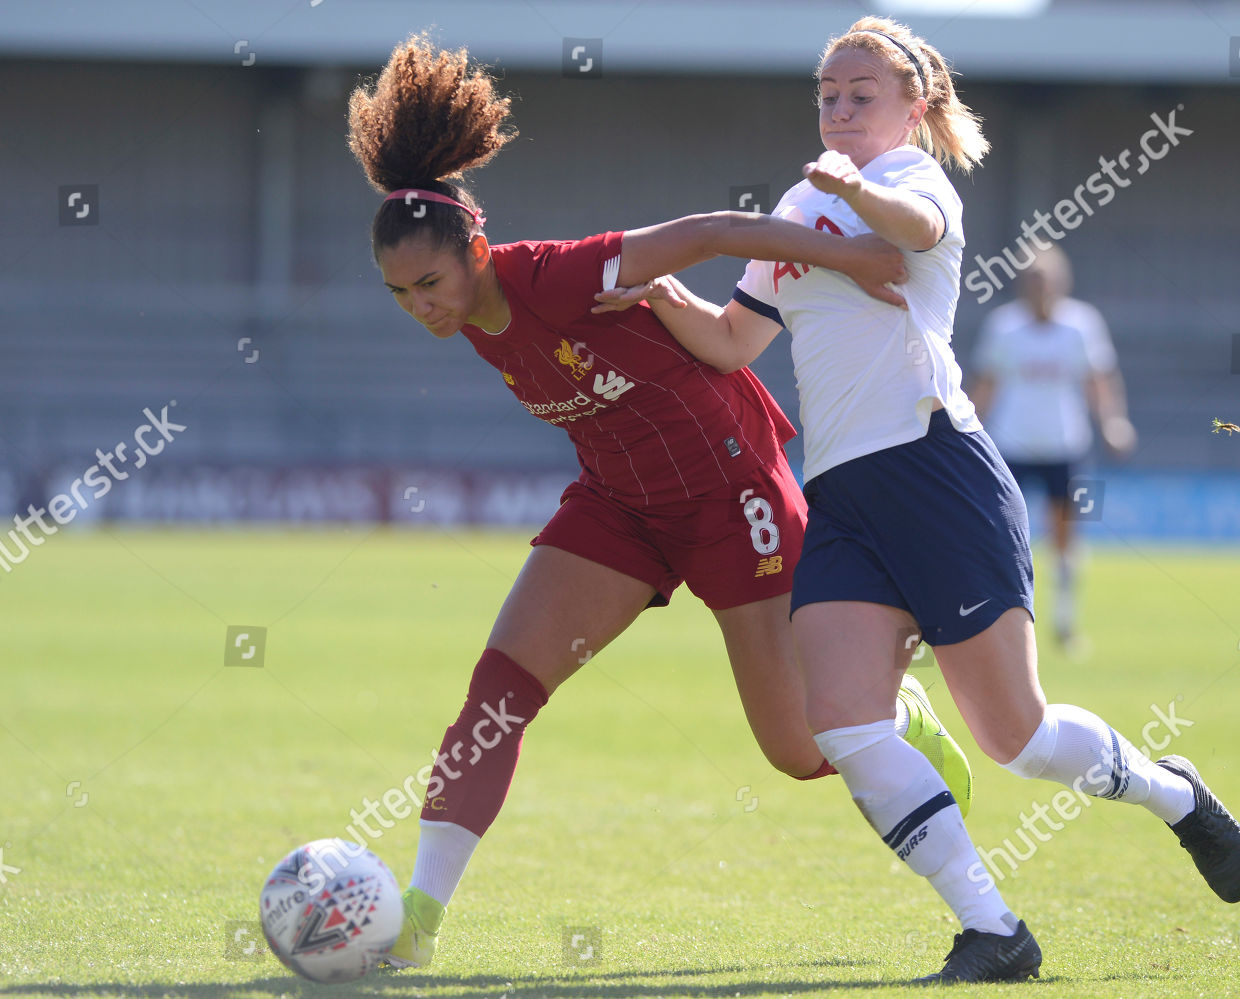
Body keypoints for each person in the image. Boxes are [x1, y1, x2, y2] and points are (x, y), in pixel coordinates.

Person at [595, 16, 1240, 983]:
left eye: (863, 94)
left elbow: (916, 239)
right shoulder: (798, 202)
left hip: (937, 470)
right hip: (846, 494)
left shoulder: (910, 181)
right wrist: (654, 296)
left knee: (1016, 737)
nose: (842, 108)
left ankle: (1172, 794)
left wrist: (855, 188)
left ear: (916, 107)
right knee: (844, 721)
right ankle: (994, 929)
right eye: (828, 94)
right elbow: (736, 340)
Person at [344, 35, 975, 969]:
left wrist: (849, 259)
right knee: (500, 694)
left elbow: (717, 230)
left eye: (430, 283)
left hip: (733, 496)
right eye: (398, 293)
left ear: (476, 250)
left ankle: (897, 703)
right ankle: (419, 922)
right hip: (620, 507)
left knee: (801, 752)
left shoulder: (553, 275)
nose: (420, 307)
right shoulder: (468, 314)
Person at [967, 247, 1136, 651]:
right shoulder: (1004, 327)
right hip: (1010, 445)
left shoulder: (1082, 325)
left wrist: (1113, 421)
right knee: (1002, 537)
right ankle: (999, 624)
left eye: (1047, 280)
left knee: (1065, 537)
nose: (1040, 288)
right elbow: (986, 383)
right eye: (1033, 280)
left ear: (1063, 282)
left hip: (1065, 444)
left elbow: (1099, 379)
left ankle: (1064, 622)